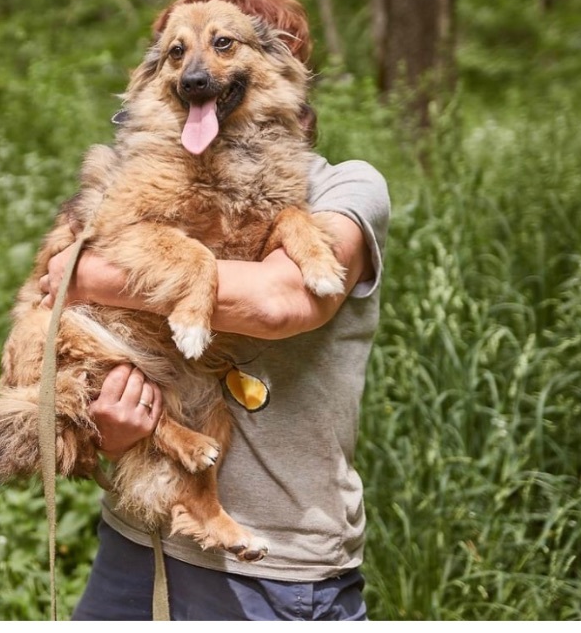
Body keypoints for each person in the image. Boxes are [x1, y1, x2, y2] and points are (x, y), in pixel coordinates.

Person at [38, 151, 390, 620]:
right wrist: (116, 433)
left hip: (279, 570)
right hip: (140, 539)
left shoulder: (348, 188)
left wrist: (86, 278)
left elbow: (278, 301)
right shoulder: (170, 174)